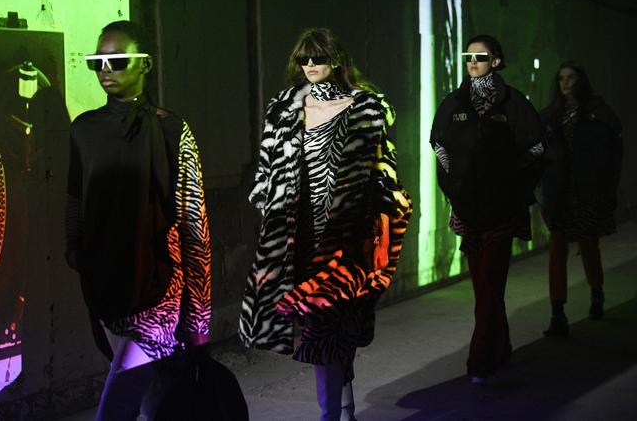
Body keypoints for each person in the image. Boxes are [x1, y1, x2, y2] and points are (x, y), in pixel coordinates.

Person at [238, 28, 411, 420]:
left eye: (319, 57)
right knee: (321, 327)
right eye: (304, 58)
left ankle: (334, 410)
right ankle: (338, 408)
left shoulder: (364, 107)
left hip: (346, 237)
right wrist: (270, 212)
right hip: (297, 237)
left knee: (332, 327)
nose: (311, 65)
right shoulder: (284, 107)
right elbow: (266, 172)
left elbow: (384, 170)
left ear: (336, 60)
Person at [65, 20, 211, 420]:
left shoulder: (170, 130)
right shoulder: (84, 130)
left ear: (145, 64)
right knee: (150, 403)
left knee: (116, 408)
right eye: (96, 61)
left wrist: (199, 322)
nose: (105, 69)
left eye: (117, 60)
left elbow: (194, 225)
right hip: (104, 287)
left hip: (159, 288)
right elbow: (75, 198)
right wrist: (75, 250)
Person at [430, 34, 545, 383]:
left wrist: (512, 182)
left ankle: (479, 358)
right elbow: (439, 144)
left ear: (495, 61)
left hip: (501, 210)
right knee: (485, 285)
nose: (472, 62)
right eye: (468, 56)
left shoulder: (513, 103)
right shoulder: (455, 102)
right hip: (468, 208)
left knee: (491, 282)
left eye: (480, 57)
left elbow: (537, 146)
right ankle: (501, 346)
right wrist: (455, 187)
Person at [539, 61, 622, 337]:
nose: (565, 83)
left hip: (587, 191)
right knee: (558, 249)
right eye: (561, 78)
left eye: (571, 77)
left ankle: (596, 293)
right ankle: (557, 312)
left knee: (588, 245)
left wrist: (607, 190)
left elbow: (612, 154)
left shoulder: (597, 113)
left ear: (580, 80)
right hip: (560, 193)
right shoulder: (550, 116)